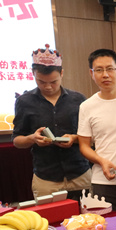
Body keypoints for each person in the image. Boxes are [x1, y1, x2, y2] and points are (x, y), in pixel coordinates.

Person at [12, 44, 90, 202]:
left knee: (89, 216)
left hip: (79, 174)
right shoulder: (24, 102)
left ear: (62, 73)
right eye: (41, 81)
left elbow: (92, 136)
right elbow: (17, 140)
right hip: (46, 178)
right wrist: (32, 139)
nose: (48, 86)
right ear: (33, 73)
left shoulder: (78, 99)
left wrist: (74, 138)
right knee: (50, 217)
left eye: (53, 82)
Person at [78, 48, 116, 221]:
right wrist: (101, 161)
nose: (105, 75)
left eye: (110, 69)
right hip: (103, 182)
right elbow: (84, 146)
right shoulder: (87, 106)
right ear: (92, 74)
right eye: (99, 70)